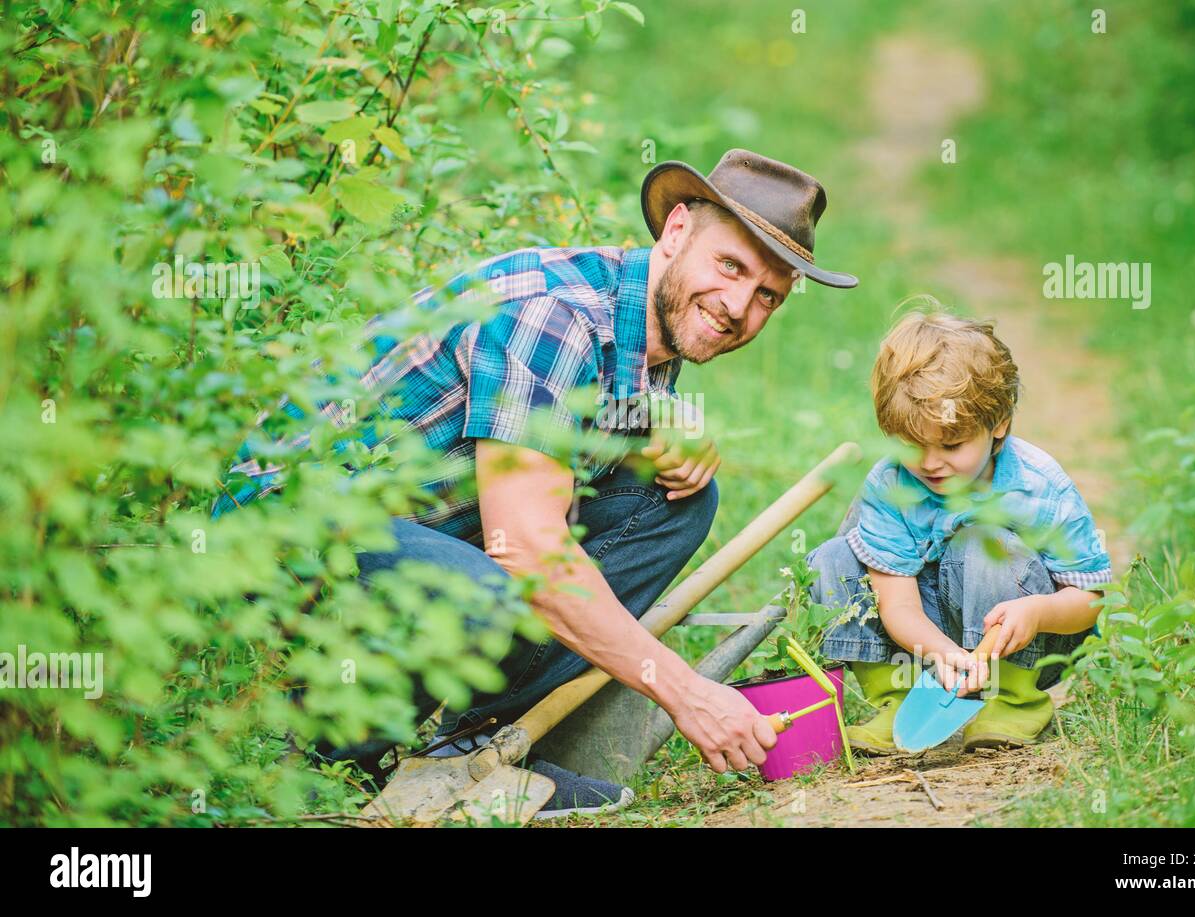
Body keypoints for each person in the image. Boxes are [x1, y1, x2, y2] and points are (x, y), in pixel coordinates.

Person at [213, 149, 858, 816]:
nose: (737, 308)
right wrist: (687, 693)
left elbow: (573, 430)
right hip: (283, 526)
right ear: (675, 233)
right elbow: (527, 547)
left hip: (401, 524)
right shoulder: (554, 314)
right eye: (731, 266)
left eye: (767, 297)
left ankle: (470, 746)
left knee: (675, 501)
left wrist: (659, 431)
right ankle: (326, 754)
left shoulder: (646, 329)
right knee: (495, 589)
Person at [806, 308, 1110, 756]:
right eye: (912, 445)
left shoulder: (1039, 487)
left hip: (1025, 640)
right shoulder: (893, 485)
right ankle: (897, 699)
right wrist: (941, 653)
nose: (930, 463)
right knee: (833, 558)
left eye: (951, 445)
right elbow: (898, 601)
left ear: (999, 424)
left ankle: (1014, 701)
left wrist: (1039, 612)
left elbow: (1090, 600)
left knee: (983, 543)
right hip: (926, 643)